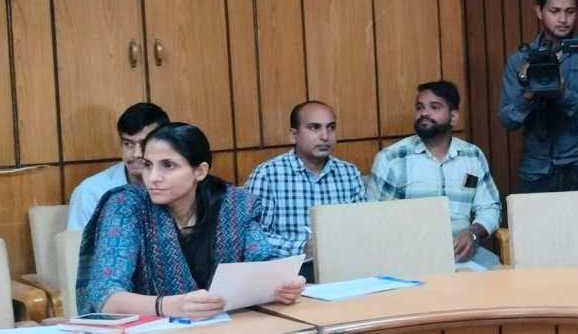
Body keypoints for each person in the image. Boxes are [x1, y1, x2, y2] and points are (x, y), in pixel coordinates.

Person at [76, 122, 305, 319]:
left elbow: (263, 260)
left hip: (226, 326)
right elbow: (104, 296)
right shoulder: (125, 205)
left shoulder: (234, 204)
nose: (153, 178)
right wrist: (168, 306)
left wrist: (285, 284)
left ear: (200, 171)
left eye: (168, 165)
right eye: (148, 165)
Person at [370, 81, 502, 268]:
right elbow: (374, 219)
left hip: (463, 253)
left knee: (500, 274)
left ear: (453, 117)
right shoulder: (392, 159)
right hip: (409, 256)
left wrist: (472, 233)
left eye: (434, 107)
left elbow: (490, 207)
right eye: (419, 107)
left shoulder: (472, 156)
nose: (424, 113)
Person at [499, 0, 578, 193]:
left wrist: (563, 94)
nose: (563, 19)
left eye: (570, 12)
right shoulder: (520, 59)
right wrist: (528, 93)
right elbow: (507, 120)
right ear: (539, 12)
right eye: (555, 11)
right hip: (537, 167)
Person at [244, 101, 366, 263]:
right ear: (293, 135)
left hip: (342, 264)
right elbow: (252, 237)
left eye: (331, 127)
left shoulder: (349, 173)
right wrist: (302, 248)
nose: (325, 136)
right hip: (288, 268)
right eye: (315, 128)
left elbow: (363, 227)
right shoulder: (267, 175)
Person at [67, 102, 170, 231]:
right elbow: (76, 243)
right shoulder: (91, 192)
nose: (136, 154)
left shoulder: (178, 184)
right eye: (128, 144)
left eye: (144, 144)